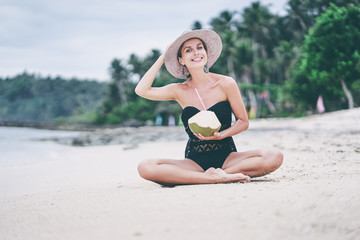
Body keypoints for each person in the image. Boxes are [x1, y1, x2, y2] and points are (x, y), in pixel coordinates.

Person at [135, 29, 283, 185]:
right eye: (188, 50)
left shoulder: (226, 83)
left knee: (274, 156)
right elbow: (141, 90)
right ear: (181, 60)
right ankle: (211, 177)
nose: (196, 53)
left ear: (206, 53)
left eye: (200, 47)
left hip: (228, 158)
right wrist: (163, 57)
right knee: (146, 167)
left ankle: (220, 174)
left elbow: (243, 122)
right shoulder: (179, 90)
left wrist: (221, 135)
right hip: (194, 161)